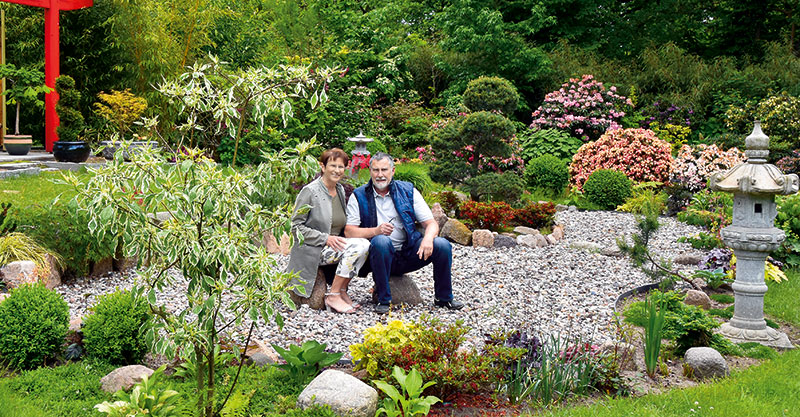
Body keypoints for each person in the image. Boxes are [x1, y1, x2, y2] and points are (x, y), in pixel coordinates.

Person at [345, 152, 464, 314]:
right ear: (370, 171)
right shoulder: (358, 195)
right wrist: (376, 231)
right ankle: (383, 299)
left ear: (392, 171)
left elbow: (431, 224)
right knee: (380, 241)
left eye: (384, 170)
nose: (380, 175)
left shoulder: (408, 190)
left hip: (409, 252)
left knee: (442, 245)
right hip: (377, 256)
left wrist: (428, 239)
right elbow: (349, 231)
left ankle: (444, 298)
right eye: (376, 170)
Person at [286, 148, 370, 313]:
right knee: (357, 247)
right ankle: (333, 295)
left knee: (365, 244)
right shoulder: (310, 192)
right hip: (313, 249)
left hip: (332, 246)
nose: (337, 170)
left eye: (341, 167)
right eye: (333, 165)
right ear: (323, 167)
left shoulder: (339, 190)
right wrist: (325, 238)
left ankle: (342, 291)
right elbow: (295, 227)